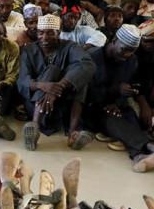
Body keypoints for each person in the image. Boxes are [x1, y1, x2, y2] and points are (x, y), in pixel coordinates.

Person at [85, 24, 154, 172]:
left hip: (117, 104)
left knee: (129, 114)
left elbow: (131, 88)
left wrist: (125, 97)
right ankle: (148, 146)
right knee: (111, 115)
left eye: (131, 51)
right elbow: (85, 95)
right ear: (114, 40)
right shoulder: (92, 58)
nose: (126, 55)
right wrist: (114, 91)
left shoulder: (132, 60)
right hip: (92, 108)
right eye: (124, 50)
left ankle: (138, 156)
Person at [17, 14, 96, 151]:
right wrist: (43, 86)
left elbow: (88, 65)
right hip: (36, 103)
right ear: (37, 33)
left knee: (80, 76)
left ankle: (73, 133)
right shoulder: (29, 50)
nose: (45, 37)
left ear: (58, 33)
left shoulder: (70, 47)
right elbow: (22, 80)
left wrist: (60, 85)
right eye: (41, 33)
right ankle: (35, 126)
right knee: (52, 70)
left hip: (63, 102)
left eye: (50, 33)